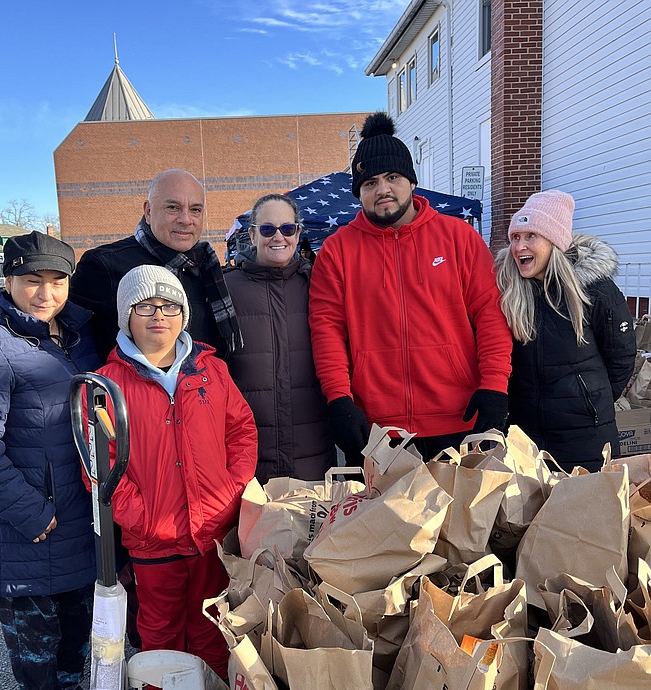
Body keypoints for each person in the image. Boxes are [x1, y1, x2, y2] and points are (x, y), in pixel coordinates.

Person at [93, 265, 257, 690]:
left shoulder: (211, 370)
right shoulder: (107, 384)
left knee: (210, 627)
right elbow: (99, 466)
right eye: (145, 306)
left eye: (168, 305)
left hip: (210, 535)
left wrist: (229, 492)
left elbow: (241, 431)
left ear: (183, 314)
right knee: (160, 632)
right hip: (153, 544)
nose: (158, 316)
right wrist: (142, 517)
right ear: (126, 315)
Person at [308, 112, 513, 464]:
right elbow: (327, 330)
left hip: (459, 418)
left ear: (411, 181)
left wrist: (494, 384)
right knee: (385, 521)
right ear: (359, 192)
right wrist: (339, 398)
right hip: (377, 431)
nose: (382, 189)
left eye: (392, 177)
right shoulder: (337, 250)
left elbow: (490, 314)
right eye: (370, 182)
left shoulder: (458, 237)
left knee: (463, 520)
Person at [0, 231, 98, 690]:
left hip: (76, 512)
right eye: (32, 280)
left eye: (56, 280)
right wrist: (31, 514)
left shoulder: (78, 336)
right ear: (9, 281)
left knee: (76, 618)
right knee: (34, 631)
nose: (44, 293)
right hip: (27, 522)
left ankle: (70, 689)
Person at [496, 189, 636, 471]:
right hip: (525, 436)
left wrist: (590, 401)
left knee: (588, 511)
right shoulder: (507, 290)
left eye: (530, 236)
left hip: (586, 436)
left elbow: (621, 357)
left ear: (554, 241)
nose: (519, 247)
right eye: (515, 237)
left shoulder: (596, 290)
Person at [69, 168, 243, 363]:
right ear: (148, 211)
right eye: (173, 208)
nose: (186, 220)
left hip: (203, 390)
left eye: (195, 210)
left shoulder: (206, 266)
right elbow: (72, 341)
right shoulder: (103, 264)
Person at [224, 194, 336, 483]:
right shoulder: (226, 289)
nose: (279, 237)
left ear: (298, 233)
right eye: (267, 229)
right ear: (251, 234)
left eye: (287, 229)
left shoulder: (318, 284)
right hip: (249, 462)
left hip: (313, 456)